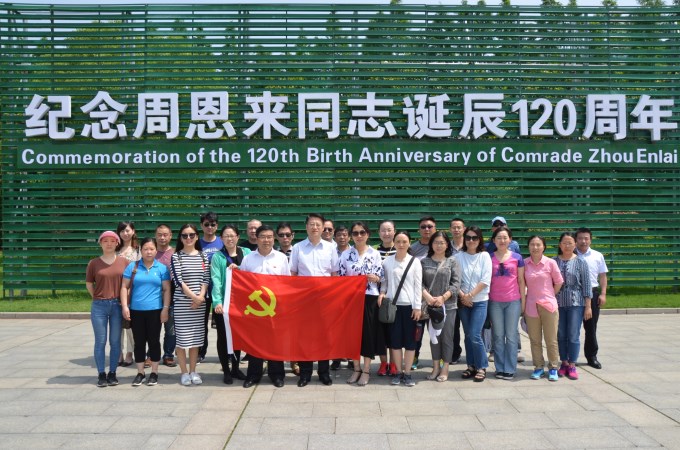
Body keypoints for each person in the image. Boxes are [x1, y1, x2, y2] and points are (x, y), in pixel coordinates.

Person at [290, 213, 339, 387]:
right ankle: (305, 373)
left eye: (318, 224)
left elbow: (334, 274)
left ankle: (324, 372)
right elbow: (293, 273)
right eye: (312, 224)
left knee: (324, 336)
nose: (315, 227)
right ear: (306, 227)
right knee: (305, 337)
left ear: (323, 227)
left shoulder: (330, 248)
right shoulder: (298, 248)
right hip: (304, 300)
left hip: (324, 300)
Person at [239, 224, 291, 388]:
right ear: (257, 238)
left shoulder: (281, 258)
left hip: (275, 308)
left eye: (269, 237)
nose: (266, 240)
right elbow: (242, 283)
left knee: (275, 342)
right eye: (263, 237)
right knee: (255, 342)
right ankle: (253, 375)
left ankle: (277, 375)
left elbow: (286, 282)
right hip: (255, 309)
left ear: (273, 239)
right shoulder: (248, 259)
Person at [121, 237, 171, 387]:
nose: (149, 252)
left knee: (154, 341)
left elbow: (167, 289)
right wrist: (125, 306)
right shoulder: (133, 267)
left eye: (151, 249)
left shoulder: (162, 268)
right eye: (145, 249)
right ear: (140, 250)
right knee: (139, 342)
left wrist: (165, 309)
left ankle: (154, 372)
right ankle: (140, 372)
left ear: (156, 250)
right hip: (136, 311)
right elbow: (124, 287)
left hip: (155, 311)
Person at [340, 221, 384, 387]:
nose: (359, 236)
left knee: (367, 334)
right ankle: (356, 368)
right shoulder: (345, 254)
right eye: (355, 233)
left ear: (368, 234)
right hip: (351, 299)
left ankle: (366, 370)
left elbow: (381, 276)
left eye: (362, 232)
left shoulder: (375, 253)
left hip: (369, 298)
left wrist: (375, 278)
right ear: (351, 236)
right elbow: (341, 278)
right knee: (353, 335)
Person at [378, 230, 422, 387]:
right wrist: (382, 293)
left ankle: (407, 373)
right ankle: (397, 372)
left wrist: (417, 307)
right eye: (398, 241)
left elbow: (418, 286)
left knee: (410, 342)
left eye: (404, 241)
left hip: (410, 307)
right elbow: (384, 282)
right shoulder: (387, 262)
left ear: (409, 243)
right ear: (394, 243)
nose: (401, 244)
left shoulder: (414, 262)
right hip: (393, 307)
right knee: (395, 342)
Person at [86, 231, 129, 387]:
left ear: (117, 243)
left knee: (115, 341)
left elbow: (128, 284)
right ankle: (101, 374)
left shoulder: (124, 262)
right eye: (105, 241)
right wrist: (97, 297)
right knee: (100, 341)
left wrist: (125, 303)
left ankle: (112, 373)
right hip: (99, 306)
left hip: (117, 305)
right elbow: (89, 284)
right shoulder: (93, 263)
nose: (109, 244)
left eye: (112, 241)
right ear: (100, 243)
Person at [211, 224, 251, 383]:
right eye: (226, 236)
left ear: (238, 237)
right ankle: (226, 371)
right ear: (221, 238)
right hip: (224, 304)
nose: (229, 238)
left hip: (242, 304)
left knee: (237, 336)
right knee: (223, 337)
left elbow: (252, 273)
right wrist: (217, 302)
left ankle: (235, 368)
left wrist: (239, 268)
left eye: (232, 235)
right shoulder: (217, 257)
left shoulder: (247, 253)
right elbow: (216, 280)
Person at [171, 224, 210, 386]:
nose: (188, 238)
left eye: (191, 235)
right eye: (185, 235)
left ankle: (193, 371)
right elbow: (178, 281)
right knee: (182, 340)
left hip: (199, 305)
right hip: (182, 305)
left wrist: (200, 297)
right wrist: (195, 298)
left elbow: (206, 278)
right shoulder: (176, 257)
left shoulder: (203, 256)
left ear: (196, 236)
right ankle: (183, 372)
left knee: (195, 340)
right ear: (180, 238)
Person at [421, 231, 461, 382]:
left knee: (447, 338)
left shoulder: (452, 261)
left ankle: (445, 368)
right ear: (431, 244)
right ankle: (435, 367)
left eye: (442, 243)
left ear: (447, 245)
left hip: (448, 306)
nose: (439, 245)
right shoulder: (424, 262)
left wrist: (443, 297)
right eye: (436, 242)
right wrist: (428, 297)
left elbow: (456, 284)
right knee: (434, 337)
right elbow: (419, 283)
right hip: (431, 306)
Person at [524, 235, 563, 382]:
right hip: (531, 306)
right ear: (528, 246)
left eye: (538, 244)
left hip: (548, 306)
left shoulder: (550, 263)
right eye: (532, 244)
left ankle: (553, 367)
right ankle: (538, 367)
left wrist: (550, 295)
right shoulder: (524, 263)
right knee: (534, 340)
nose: (535, 247)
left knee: (551, 339)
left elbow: (559, 282)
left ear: (543, 247)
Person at [488, 226, 526, 380]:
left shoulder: (517, 257)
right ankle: (500, 367)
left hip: (513, 301)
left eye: (505, 237)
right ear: (494, 240)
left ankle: (510, 368)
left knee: (511, 335)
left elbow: (521, 281)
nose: (502, 240)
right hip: (495, 302)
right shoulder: (489, 257)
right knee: (497, 335)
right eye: (499, 238)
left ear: (510, 240)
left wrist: (523, 303)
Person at [456, 226, 492, 382]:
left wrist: (470, 295)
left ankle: (482, 366)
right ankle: (471, 365)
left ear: (480, 239)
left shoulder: (484, 256)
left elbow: (485, 280)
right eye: (468, 237)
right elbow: (454, 280)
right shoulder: (458, 257)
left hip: (480, 301)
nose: (471, 241)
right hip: (463, 301)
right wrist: (463, 296)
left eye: (474, 238)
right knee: (468, 335)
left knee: (475, 334)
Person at [554, 232, 592, 380]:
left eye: (570, 243)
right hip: (557, 303)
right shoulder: (554, 261)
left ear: (575, 244)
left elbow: (587, 285)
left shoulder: (581, 262)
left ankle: (572, 364)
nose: (567, 245)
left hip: (576, 303)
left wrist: (588, 306)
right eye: (564, 242)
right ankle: (563, 362)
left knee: (573, 334)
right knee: (561, 334)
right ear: (560, 245)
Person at [576, 227, 608, 370]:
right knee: (572, 328)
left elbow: (603, 276)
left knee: (591, 328)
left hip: (593, 294)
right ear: (576, 240)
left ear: (590, 240)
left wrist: (603, 293)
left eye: (586, 238)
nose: (583, 241)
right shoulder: (570, 255)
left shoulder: (597, 255)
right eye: (580, 238)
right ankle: (569, 358)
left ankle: (591, 356)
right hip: (574, 295)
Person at [198, 211, 223, 363]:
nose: (209, 227)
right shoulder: (196, 243)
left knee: (221, 323)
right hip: (202, 289)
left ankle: (225, 353)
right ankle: (201, 352)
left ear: (217, 226)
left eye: (212, 224)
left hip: (219, 290)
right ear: (202, 226)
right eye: (206, 224)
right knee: (201, 324)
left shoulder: (222, 242)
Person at [411, 215, 436, 369]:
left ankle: (440, 360)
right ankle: (414, 357)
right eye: (423, 227)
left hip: (438, 297)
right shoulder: (413, 249)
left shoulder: (441, 245)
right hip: (419, 297)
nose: (427, 229)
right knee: (417, 331)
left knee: (438, 332)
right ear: (419, 230)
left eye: (430, 226)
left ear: (435, 228)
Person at [275, 221, 298, 376]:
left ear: (292, 236)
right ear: (277, 237)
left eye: (288, 235)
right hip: (276, 299)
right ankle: (276, 361)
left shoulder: (298, 251)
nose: (285, 238)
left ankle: (295, 361)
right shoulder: (272, 252)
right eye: (281, 235)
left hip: (295, 299)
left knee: (295, 332)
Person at [116, 221, 140, 367]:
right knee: (116, 325)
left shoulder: (138, 251)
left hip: (132, 291)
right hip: (115, 292)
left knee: (130, 325)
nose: (125, 233)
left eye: (128, 230)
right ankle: (119, 352)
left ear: (133, 231)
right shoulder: (115, 250)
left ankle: (130, 353)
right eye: (122, 231)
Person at [375, 219, 397, 376]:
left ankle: (394, 363)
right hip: (378, 298)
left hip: (396, 298)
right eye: (383, 230)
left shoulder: (401, 248)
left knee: (394, 333)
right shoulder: (374, 252)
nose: (386, 233)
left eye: (389, 230)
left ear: (394, 231)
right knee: (381, 333)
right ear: (379, 233)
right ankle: (383, 363)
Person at [331, 224, 352, 371]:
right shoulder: (330, 252)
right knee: (335, 329)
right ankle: (336, 358)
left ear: (349, 237)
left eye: (345, 235)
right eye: (339, 235)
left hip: (351, 296)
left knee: (350, 329)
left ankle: (351, 358)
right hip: (333, 296)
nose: (342, 237)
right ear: (335, 237)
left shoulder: (354, 252)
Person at [155, 224, 176, 368]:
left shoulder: (175, 253)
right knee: (152, 329)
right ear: (155, 235)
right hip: (153, 297)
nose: (162, 237)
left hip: (172, 296)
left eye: (165, 234)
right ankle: (151, 355)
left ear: (170, 236)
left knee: (171, 329)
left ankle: (168, 355)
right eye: (159, 234)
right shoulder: (150, 251)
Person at [448, 217, 465, 364]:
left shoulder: (470, 243)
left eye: (459, 227)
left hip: (469, 292)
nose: (456, 230)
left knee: (471, 327)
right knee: (453, 325)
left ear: (464, 229)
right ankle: (454, 352)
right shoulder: (447, 247)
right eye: (454, 227)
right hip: (451, 291)